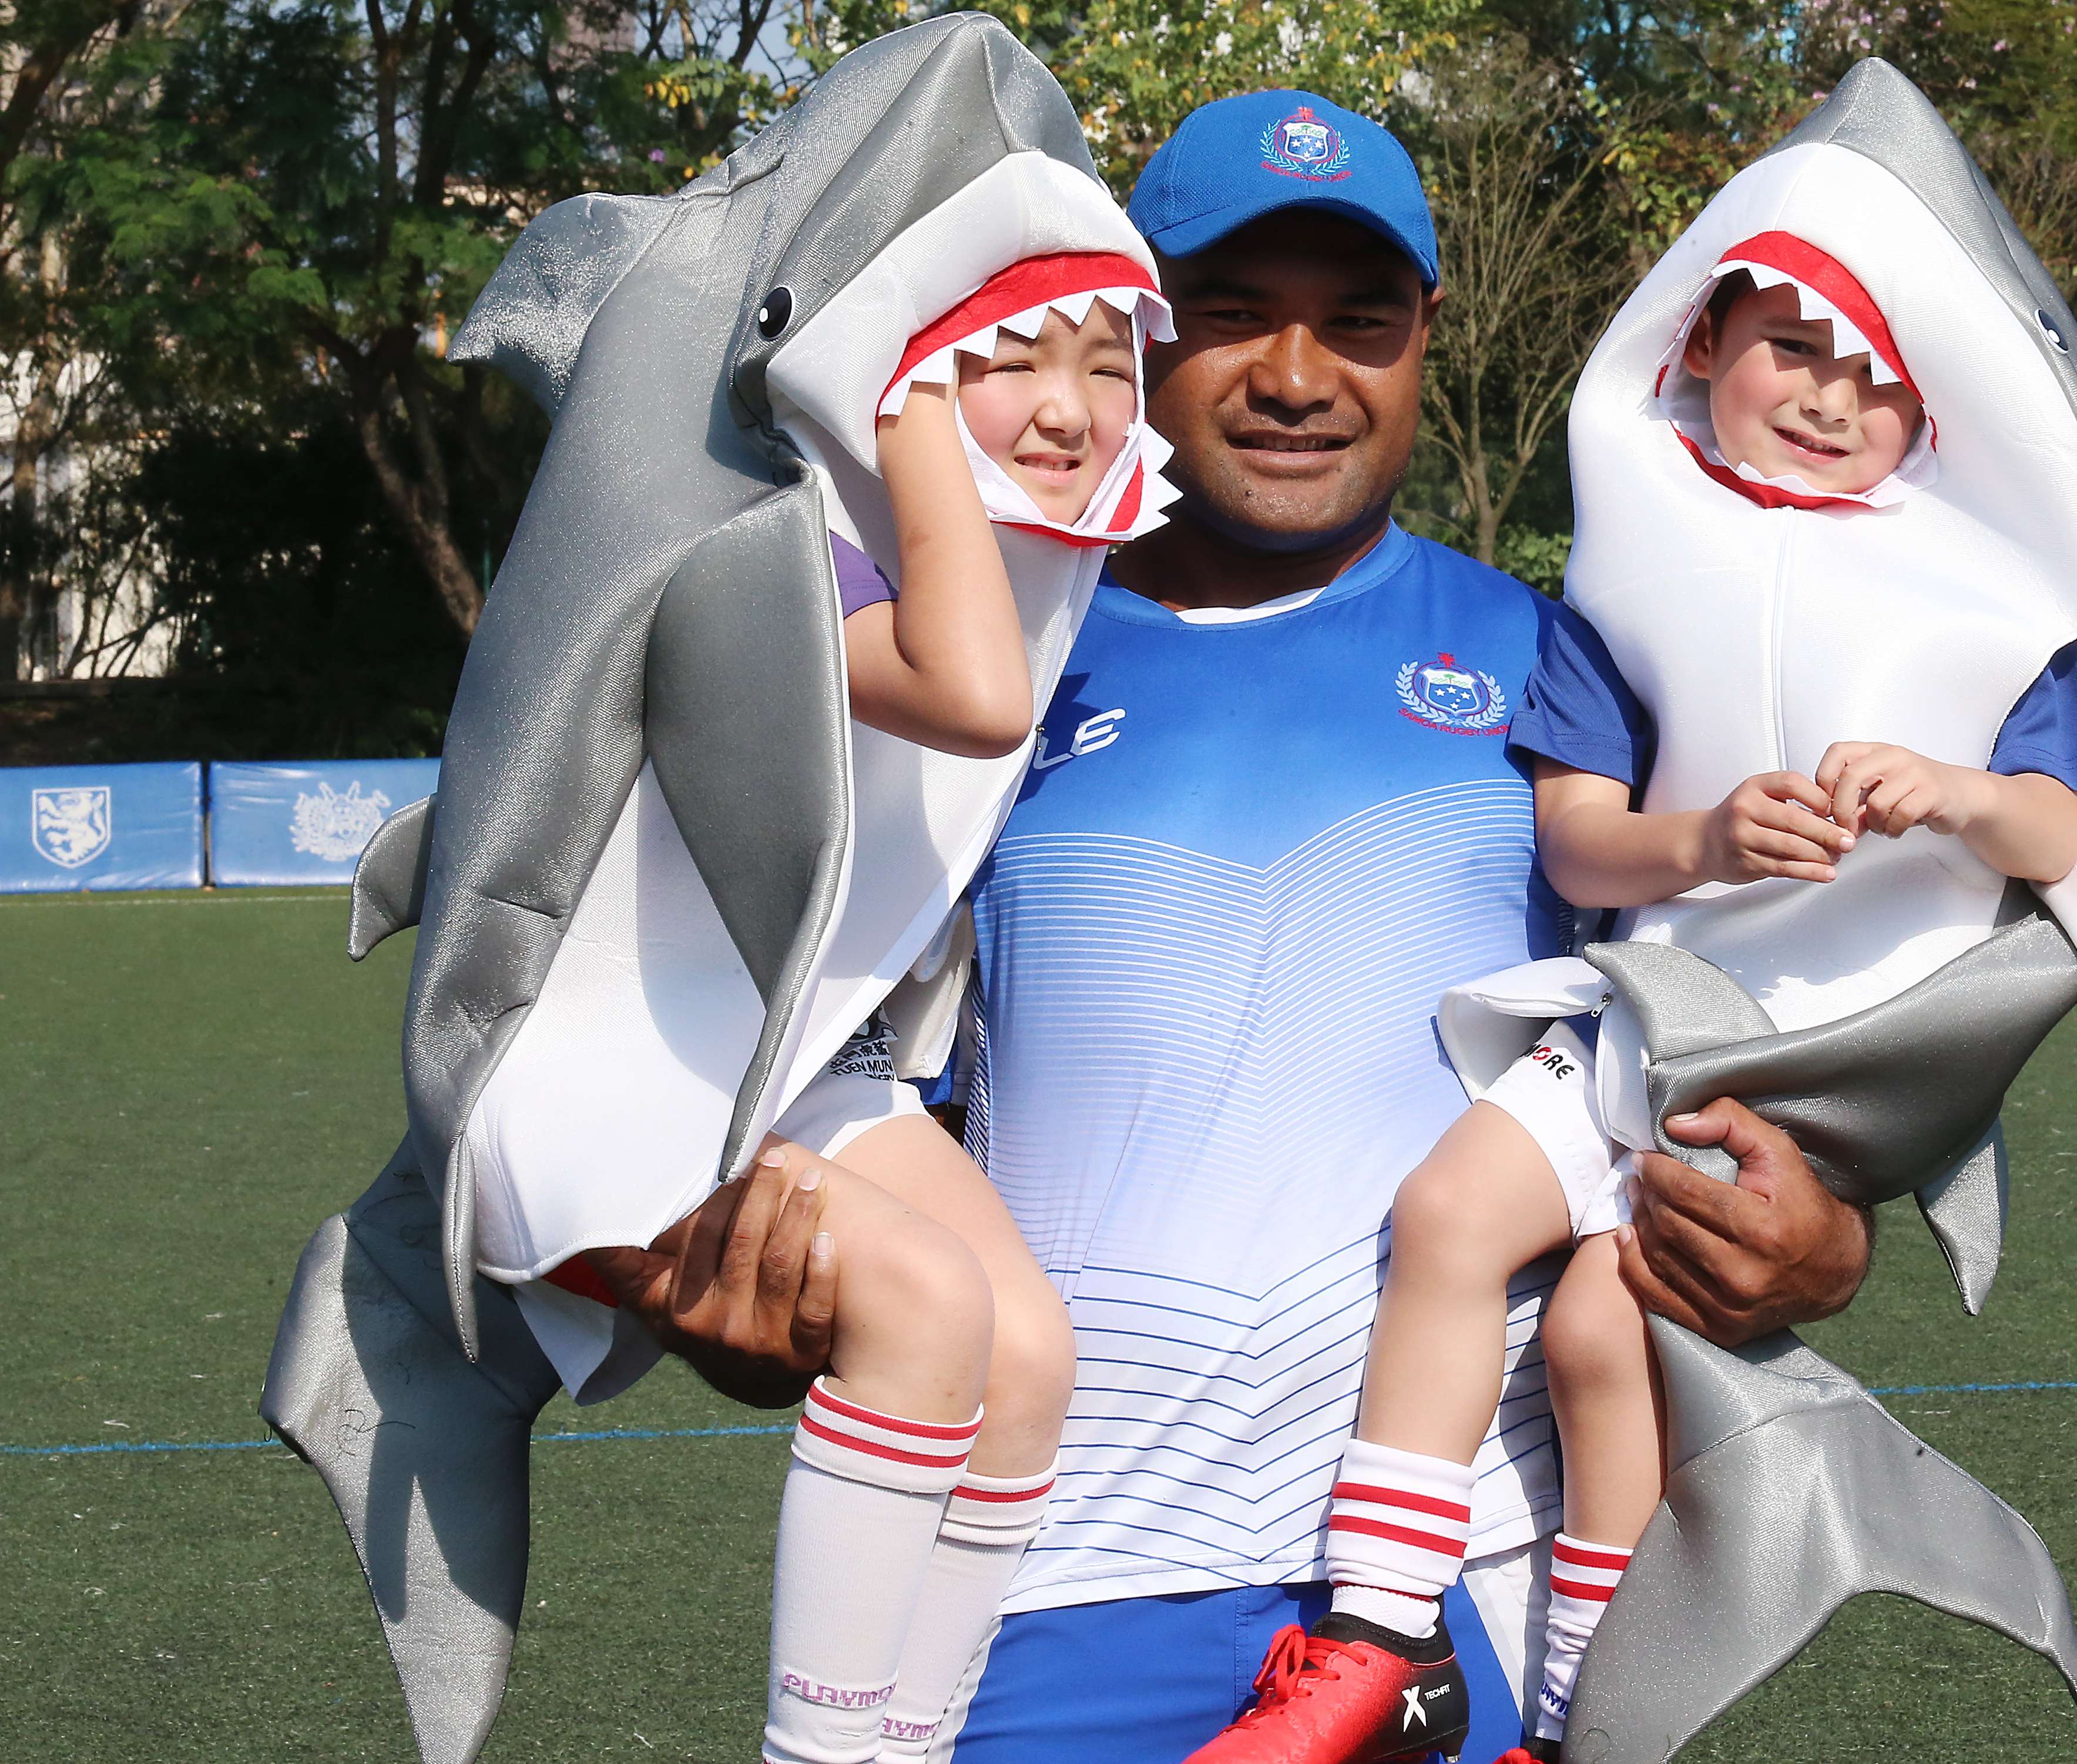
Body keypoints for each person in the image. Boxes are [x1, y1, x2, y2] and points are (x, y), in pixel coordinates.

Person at [591, 90, 1877, 1764]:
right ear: (1135, 331)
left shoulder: (1576, 672)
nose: (1293, 374)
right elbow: (748, 1070)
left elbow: (1757, 1054)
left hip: (1443, 1604)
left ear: (1426, 337)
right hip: (1042, 1584)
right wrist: (730, 1293)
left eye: (1356, 321)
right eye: (1225, 315)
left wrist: (1815, 1244)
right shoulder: (963, 665)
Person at [1195, 258, 2077, 1764]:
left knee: (1601, 1330)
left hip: (1802, 1073)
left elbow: (2063, 835)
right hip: (1641, 1015)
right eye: (1790, 346)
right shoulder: (1626, 576)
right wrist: (1702, 840)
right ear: (1701, 344)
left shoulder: (1988, 597)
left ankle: (1583, 1710)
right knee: (1446, 1211)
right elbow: (1576, 835)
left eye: (1880, 373)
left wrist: (1961, 795)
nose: (1832, 395)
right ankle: (1374, 1632)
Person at [526, 254, 1175, 1764]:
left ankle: (911, 1741)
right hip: (644, 1063)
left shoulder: (1026, 566)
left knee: (1028, 1350)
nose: (1075, 408)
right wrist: (907, 407)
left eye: (1109, 361)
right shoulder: (769, 549)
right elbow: (972, 692)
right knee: (937, 1307)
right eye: (1012, 357)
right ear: (906, 369)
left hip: (813, 1058)